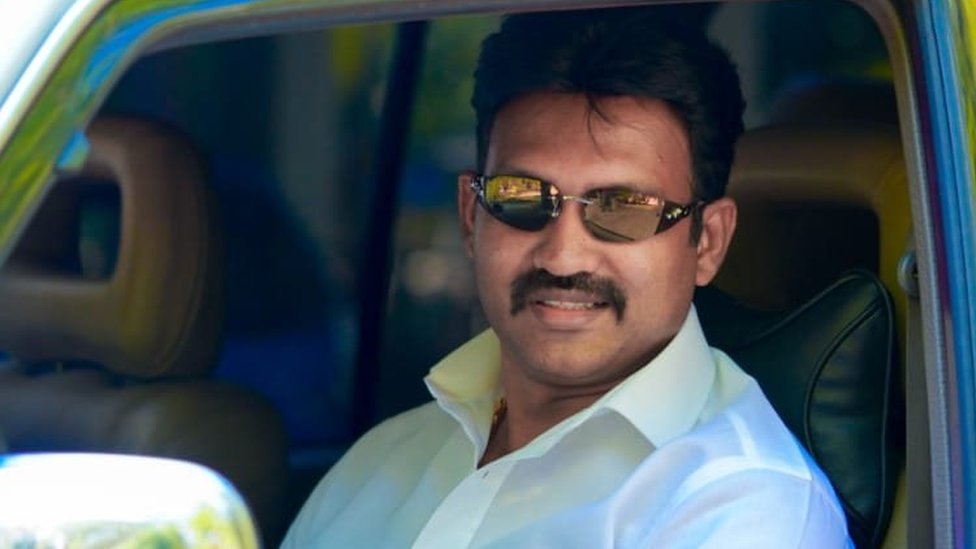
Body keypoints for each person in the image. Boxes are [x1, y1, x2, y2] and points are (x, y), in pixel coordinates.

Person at [282, 7, 851, 548]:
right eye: (522, 196)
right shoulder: (380, 460)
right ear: (471, 217)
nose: (563, 257)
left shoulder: (744, 506)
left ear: (709, 242)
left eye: (624, 207)